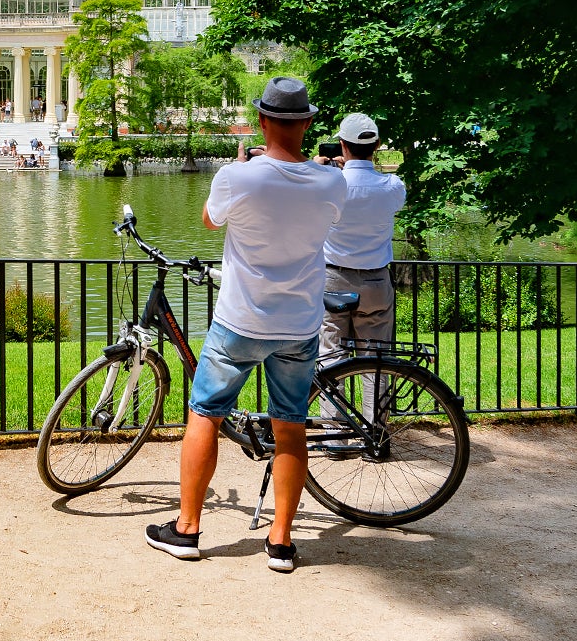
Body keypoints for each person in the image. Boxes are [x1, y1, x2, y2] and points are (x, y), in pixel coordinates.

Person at [145, 76, 346, 574]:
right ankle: (280, 542)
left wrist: (241, 167)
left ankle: (188, 529)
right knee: (291, 427)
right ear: (307, 123)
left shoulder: (239, 177)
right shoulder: (333, 182)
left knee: (205, 413)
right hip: (299, 323)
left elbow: (211, 221)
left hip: (241, 318)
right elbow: (323, 213)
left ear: (261, 121)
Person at [315, 113, 407, 366]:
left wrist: (318, 170)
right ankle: (376, 408)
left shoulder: (329, 184)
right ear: (376, 146)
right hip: (376, 280)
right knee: (376, 363)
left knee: (330, 358)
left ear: (342, 145)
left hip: (333, 279)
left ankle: (333, 406)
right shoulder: (392, 185)